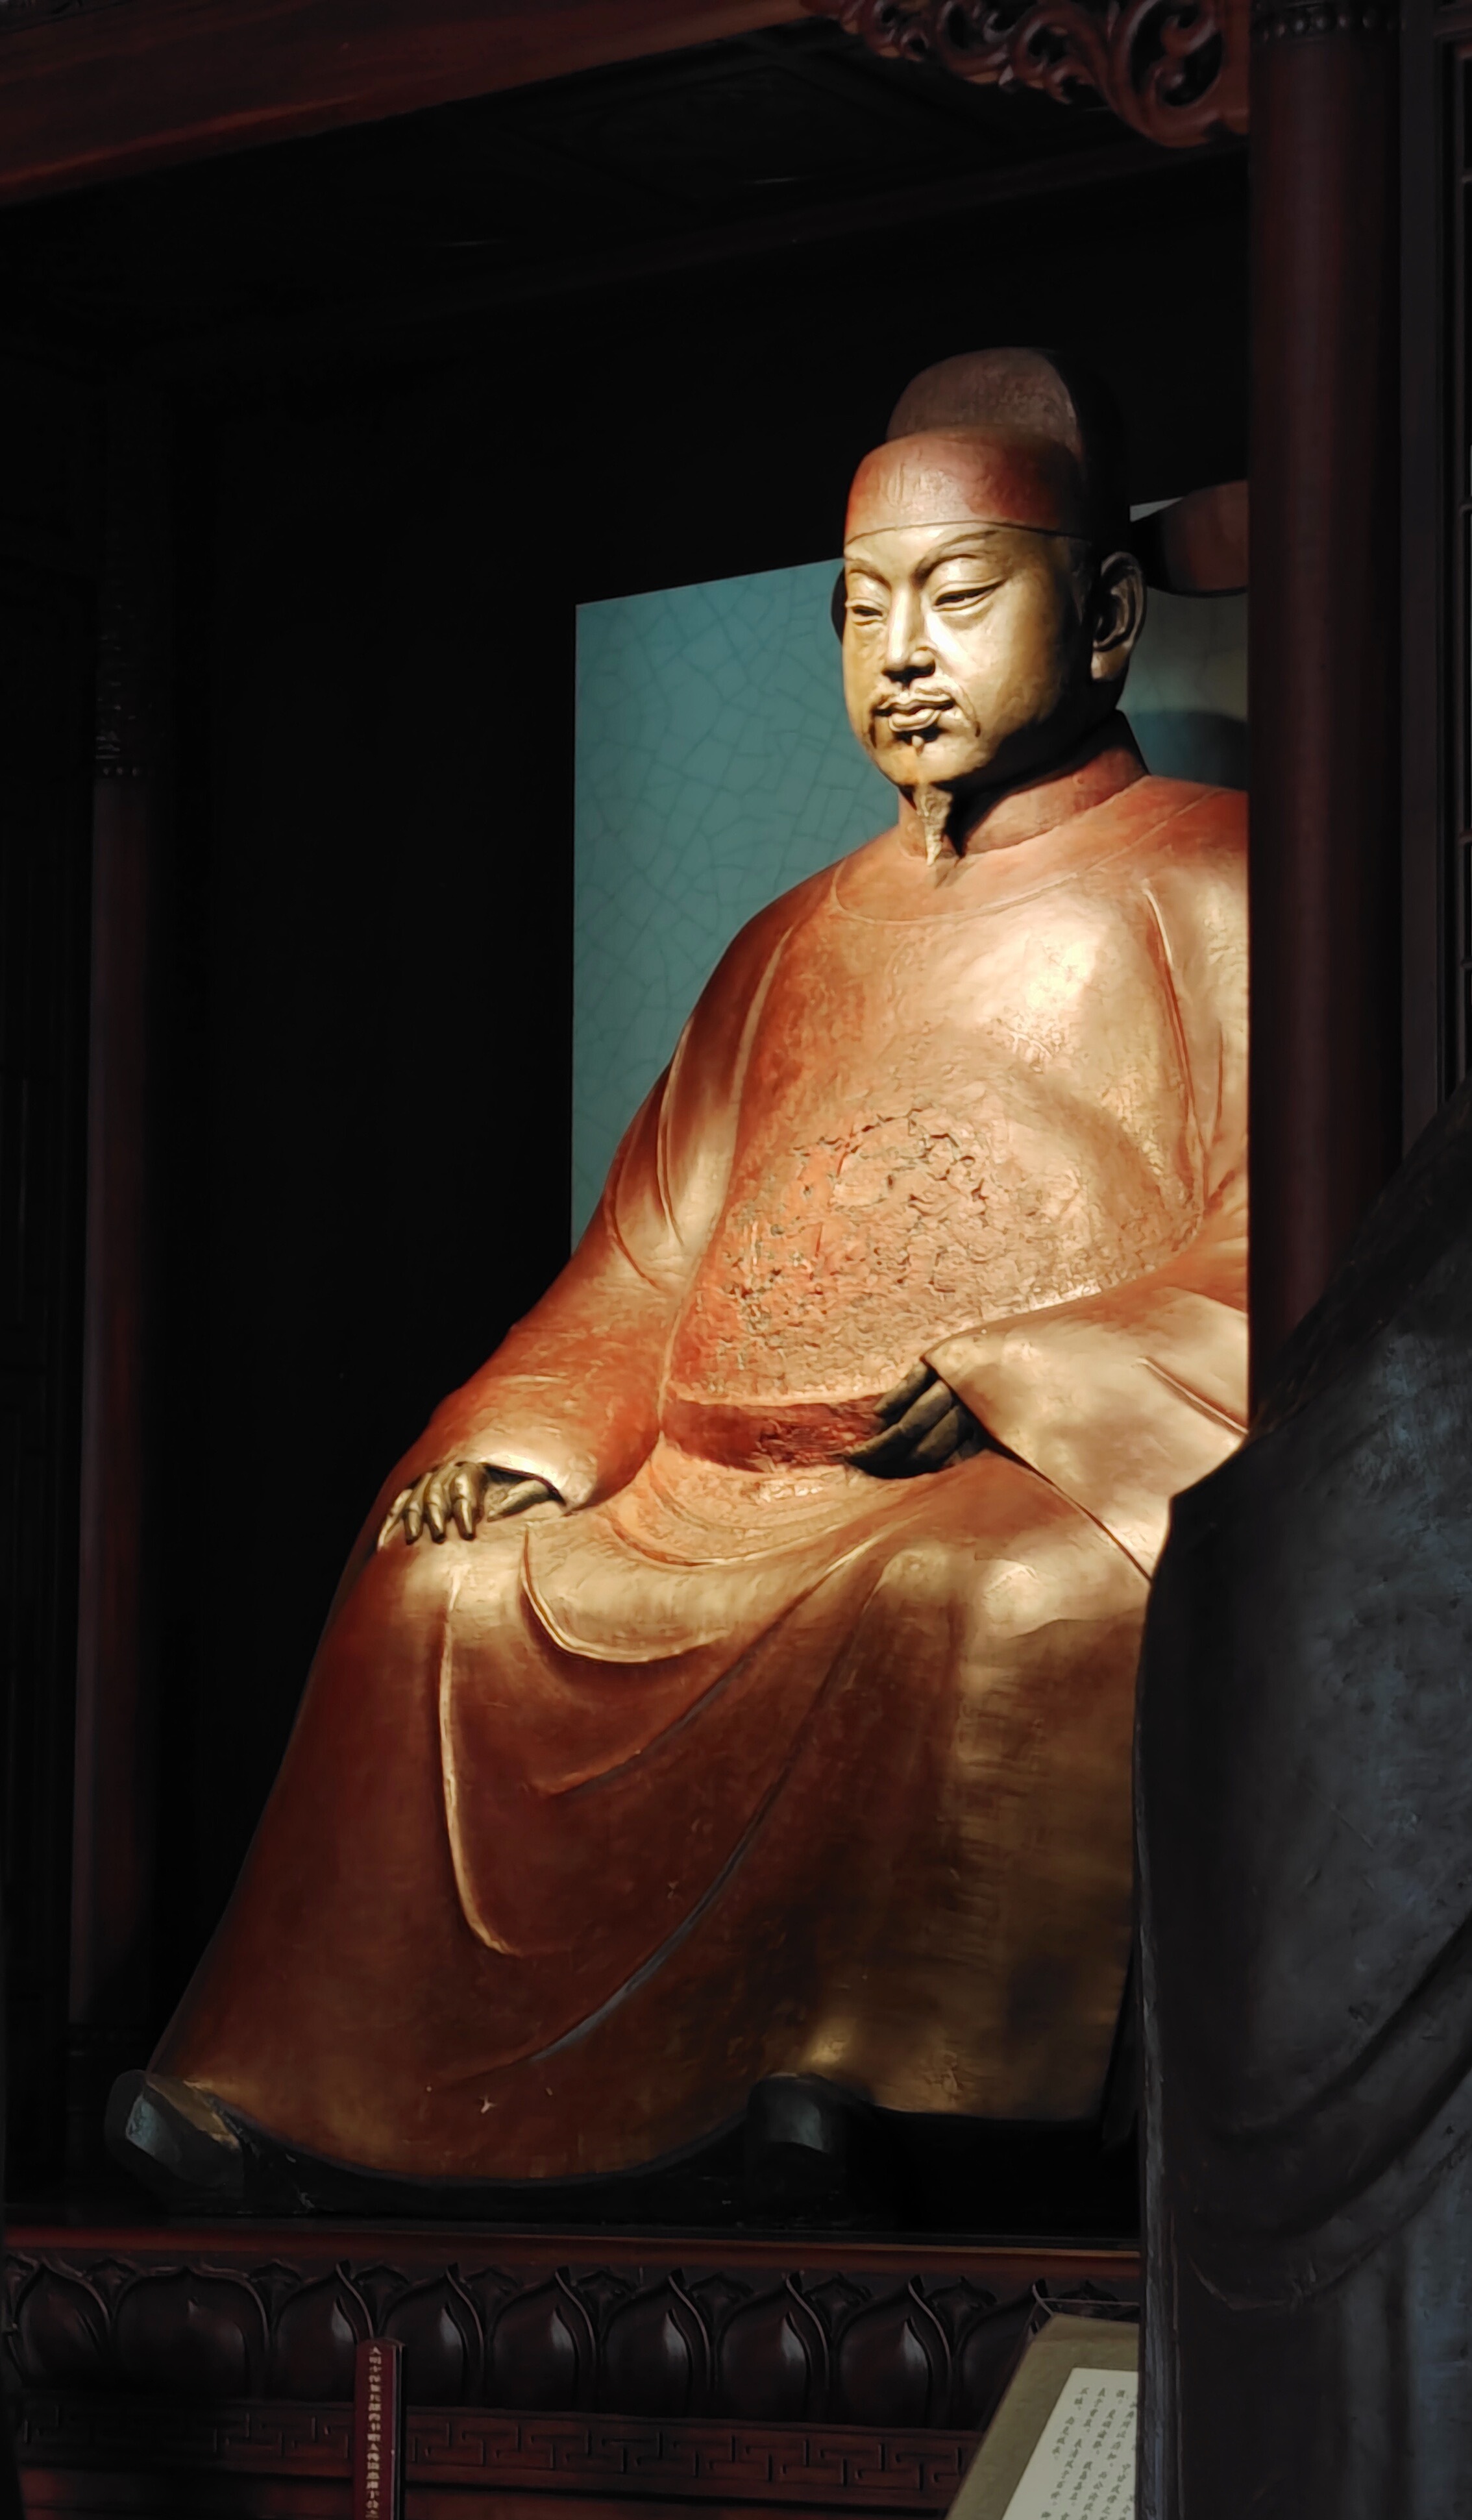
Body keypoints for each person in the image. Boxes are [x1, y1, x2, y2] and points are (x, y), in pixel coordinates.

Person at [114, 350, 1247, 2202]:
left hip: (983, 1474)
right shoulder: (785, 943)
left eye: (961, 596)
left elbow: (1287, 1235)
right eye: (863, 609)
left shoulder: (1219, 882)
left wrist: (1036, 1373)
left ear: (1106, 615)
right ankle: (314, 2098)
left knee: (993, 1593)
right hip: (714, 1482)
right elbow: (644, 1265)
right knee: (441, 1595)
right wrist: (530, 1435)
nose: (904, 652)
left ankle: (874, 2091)